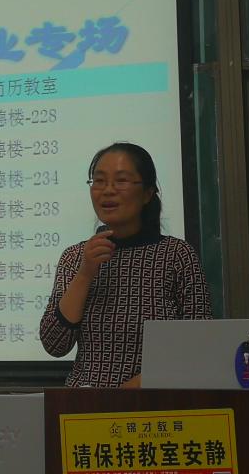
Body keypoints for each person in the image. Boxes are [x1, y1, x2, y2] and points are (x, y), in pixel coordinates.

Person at [39, 142, 212, 387]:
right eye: (99, 181)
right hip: (83, 402)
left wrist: (122, 395)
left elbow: (198, 347)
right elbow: (54, 344)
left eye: (121, 181)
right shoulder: (75, 257)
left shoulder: (177, 255)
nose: (108, 190)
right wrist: (85, 273)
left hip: (151, 402)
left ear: (147, 193)